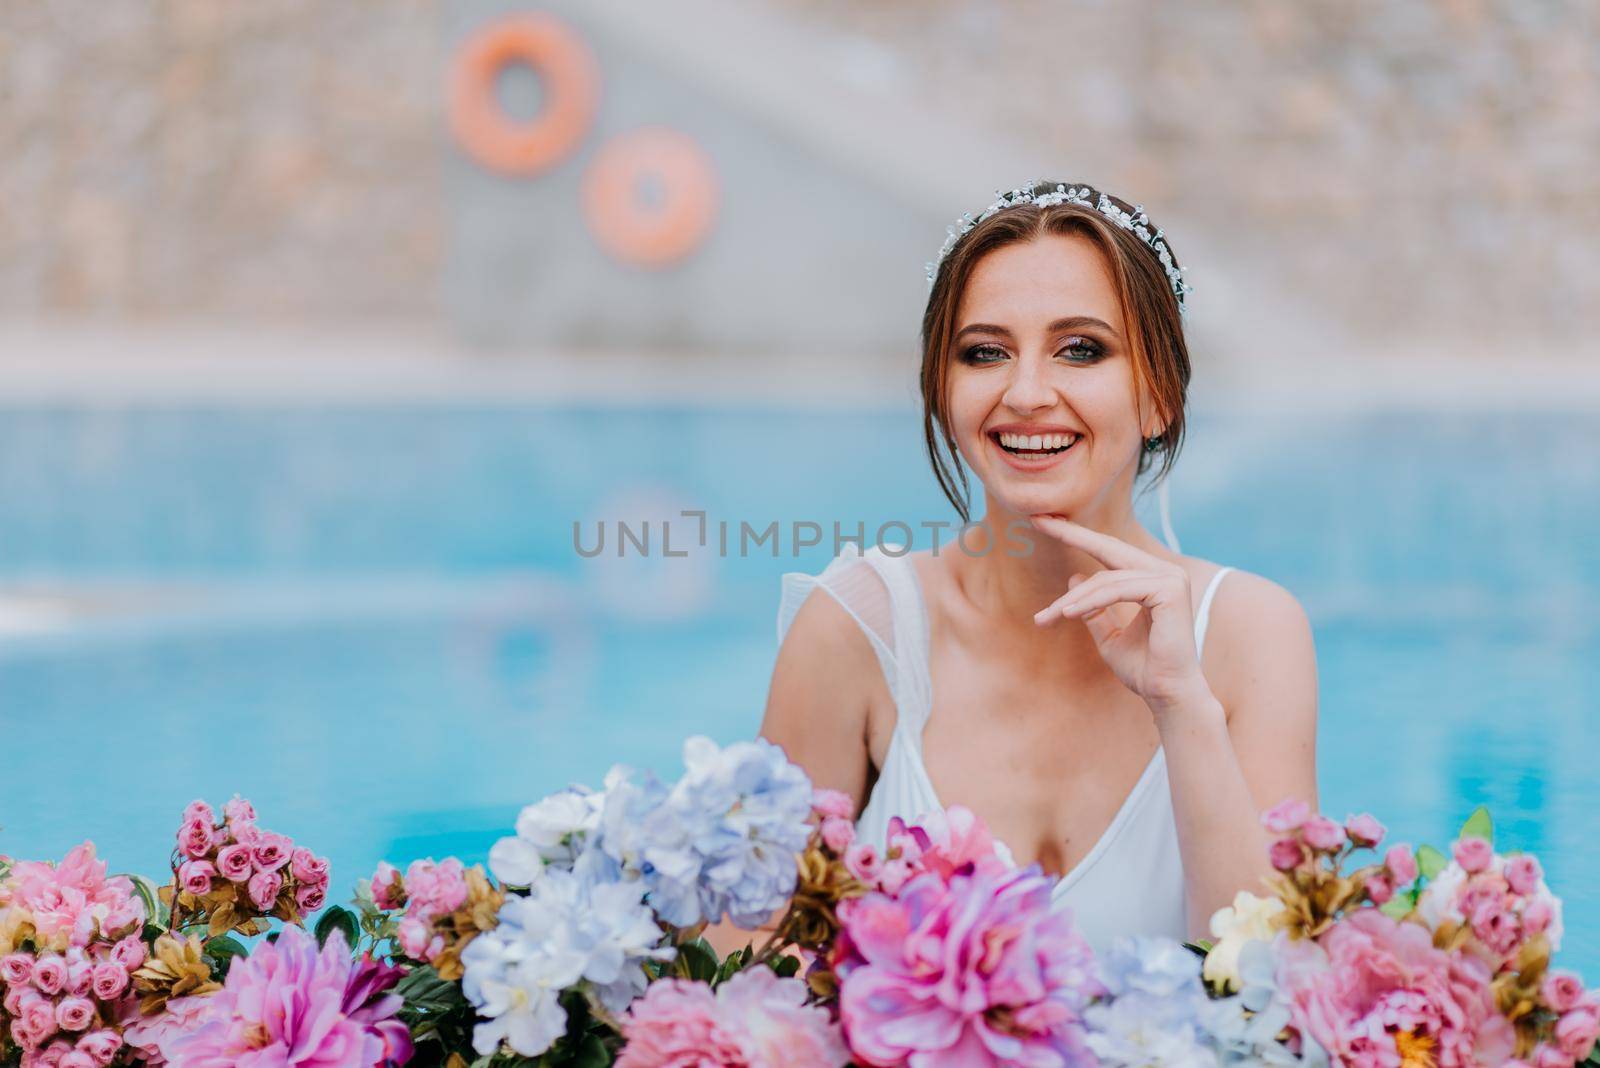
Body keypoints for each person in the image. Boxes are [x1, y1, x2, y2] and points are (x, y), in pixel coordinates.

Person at [713, 180, 1318, 957]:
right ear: (943, 388)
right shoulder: (856, 629)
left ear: (1161, 394)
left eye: (1081, 349)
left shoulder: (1251, 634)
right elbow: (738, 971)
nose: (1027, 393)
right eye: (985, 352)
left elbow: (1279, 993)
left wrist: (1181, 705)